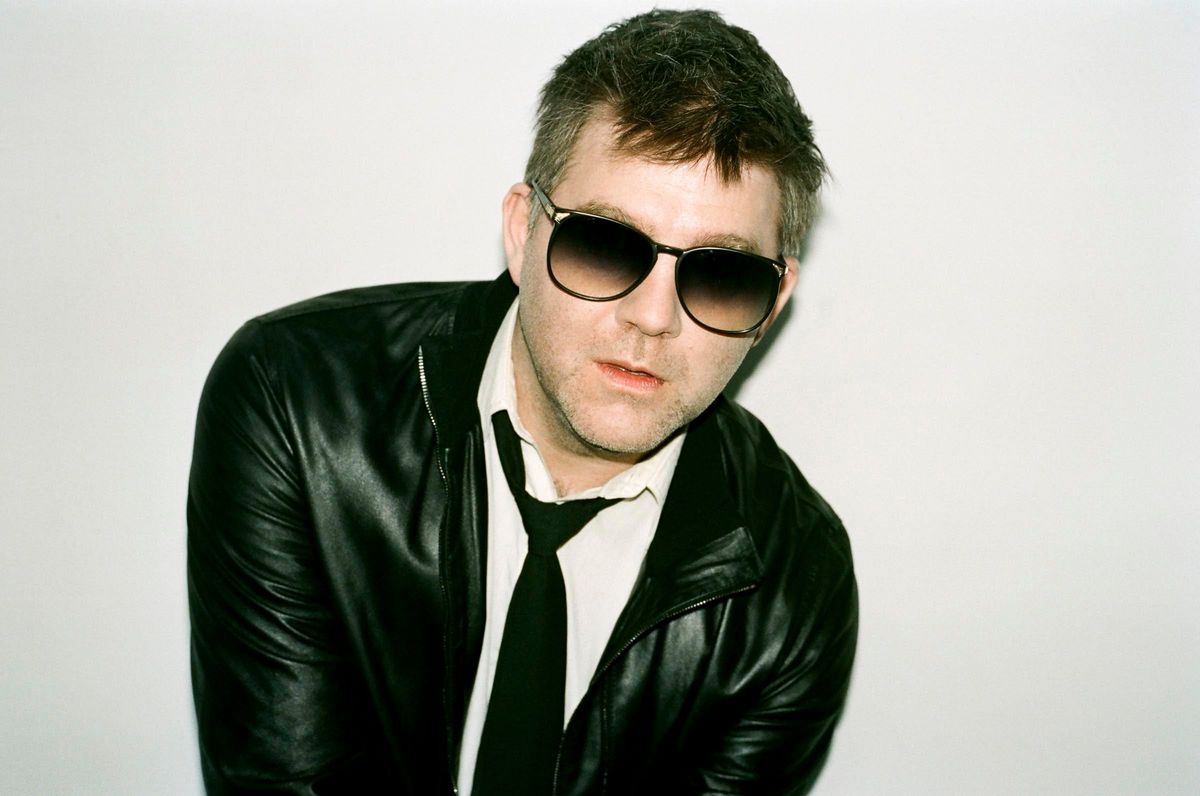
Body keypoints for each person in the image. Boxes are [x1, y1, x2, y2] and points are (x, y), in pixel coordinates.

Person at [188, 8, 857, 795]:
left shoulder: (793, 590)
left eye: (721, 275)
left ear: (773, 303)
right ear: (521, 231)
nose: (652, 318)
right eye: (604, 244)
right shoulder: (297, 404)